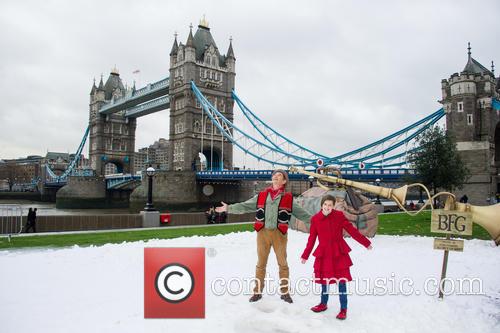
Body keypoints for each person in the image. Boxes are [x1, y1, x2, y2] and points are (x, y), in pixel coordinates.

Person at [216, 169, 313, 303]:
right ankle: (257, 292)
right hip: (263, 234)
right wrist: (229, 208)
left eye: (279, 176)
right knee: (261, 264)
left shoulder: (289, 198)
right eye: (274, 175)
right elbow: (245, 206)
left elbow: (304, 215)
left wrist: (321, 221)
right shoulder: (261, 195)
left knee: (283, 264)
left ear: (284, 181)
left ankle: (285, 293)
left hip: (279, 235)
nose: (275, 177)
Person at [301, 195, 372, 320]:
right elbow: (312, 239)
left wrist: (365, 242)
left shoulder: (339, 216)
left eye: (330, 205)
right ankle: (323, 303)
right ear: (321, 205)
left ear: (333, 206)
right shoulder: (316, 219)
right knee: (325, 281)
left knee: (342, 281)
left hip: (338, 252)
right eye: (325, 205)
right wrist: (305, 255)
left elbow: (351, 230)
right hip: (324, 253)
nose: (327, 207)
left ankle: (343, 308)